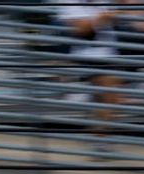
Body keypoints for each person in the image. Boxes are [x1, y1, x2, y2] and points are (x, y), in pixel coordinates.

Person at [52, 0, 123, 142]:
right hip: (87, 55)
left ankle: (98, 134)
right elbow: (81, 30)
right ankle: (101, 138)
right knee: (111, 97)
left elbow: (120, 15)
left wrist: (109, 16)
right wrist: (103, 17)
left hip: (110, 54)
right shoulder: (69, 3)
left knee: (108, 99)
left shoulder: (104, 2)